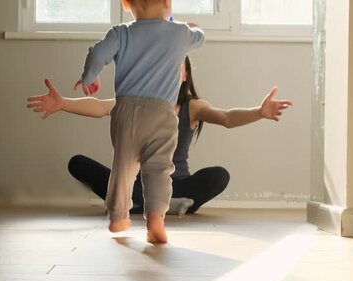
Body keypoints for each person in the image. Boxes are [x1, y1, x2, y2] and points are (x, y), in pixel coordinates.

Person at [27, 56, 293, 217]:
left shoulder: (193, 107)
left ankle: (143, 204)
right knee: (79, 163)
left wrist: (259, 112)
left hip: (178, 184)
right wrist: (62, 104)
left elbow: (226, 117)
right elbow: (100, 107)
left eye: (174, 67)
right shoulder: (135, 102)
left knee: (219, 175)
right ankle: (154, 203)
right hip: (137, 183)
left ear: (185, 74)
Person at [72, 0, 205, 244]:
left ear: (125, 3)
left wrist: (89, 77)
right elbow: (200, 37)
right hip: (162, 113)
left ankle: (118, 217)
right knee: (159, 169)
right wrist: (189, 28)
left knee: (123, 167)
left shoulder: (120, 33)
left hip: (124, 111)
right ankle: (155, 220)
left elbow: (97, 54)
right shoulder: (179, 33)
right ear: (167, 2)